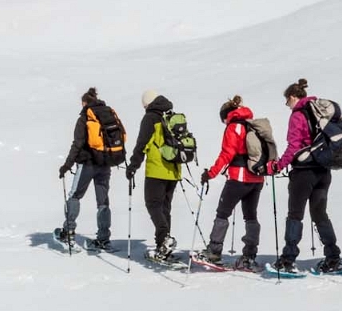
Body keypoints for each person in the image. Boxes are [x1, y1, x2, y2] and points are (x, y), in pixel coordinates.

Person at [267, 79, 342, 274]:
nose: (287, 106)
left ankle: (288, 259)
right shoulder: (320, 111)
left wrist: (278, 165)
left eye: (287, 102)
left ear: (293, 97)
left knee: (295, 214)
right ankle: (333, 257)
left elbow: (294, 146)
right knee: (320, 214)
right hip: (323, 170)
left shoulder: (298, 115)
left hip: (303, 172)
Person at [195, 96, 263, 271]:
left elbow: (227, 154)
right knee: (251, 216)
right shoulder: (253, 125)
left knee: (223, 213)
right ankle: (249, 257)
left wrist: (210, 173)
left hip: (239, 178)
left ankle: (214, 252)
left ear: (226, 116)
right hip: (257, 178)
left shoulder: (234, 127)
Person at [57, 87, 123, 251]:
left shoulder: (85, 117)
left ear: (84, 102)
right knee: (103, 202)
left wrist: (67, 165)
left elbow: (77, 144)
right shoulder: (108, 114)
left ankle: (69, 232)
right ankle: (104, 239)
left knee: (75, 196)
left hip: (87, 164)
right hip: (105, 163)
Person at [126, 89, 182, 262]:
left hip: (157, 169)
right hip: (173, 170)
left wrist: (133, 165)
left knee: (153, 204)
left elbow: (142, 143)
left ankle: (164, 238)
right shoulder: (169, 114)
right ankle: (162, 248)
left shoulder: (150, 118)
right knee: (165, 207)